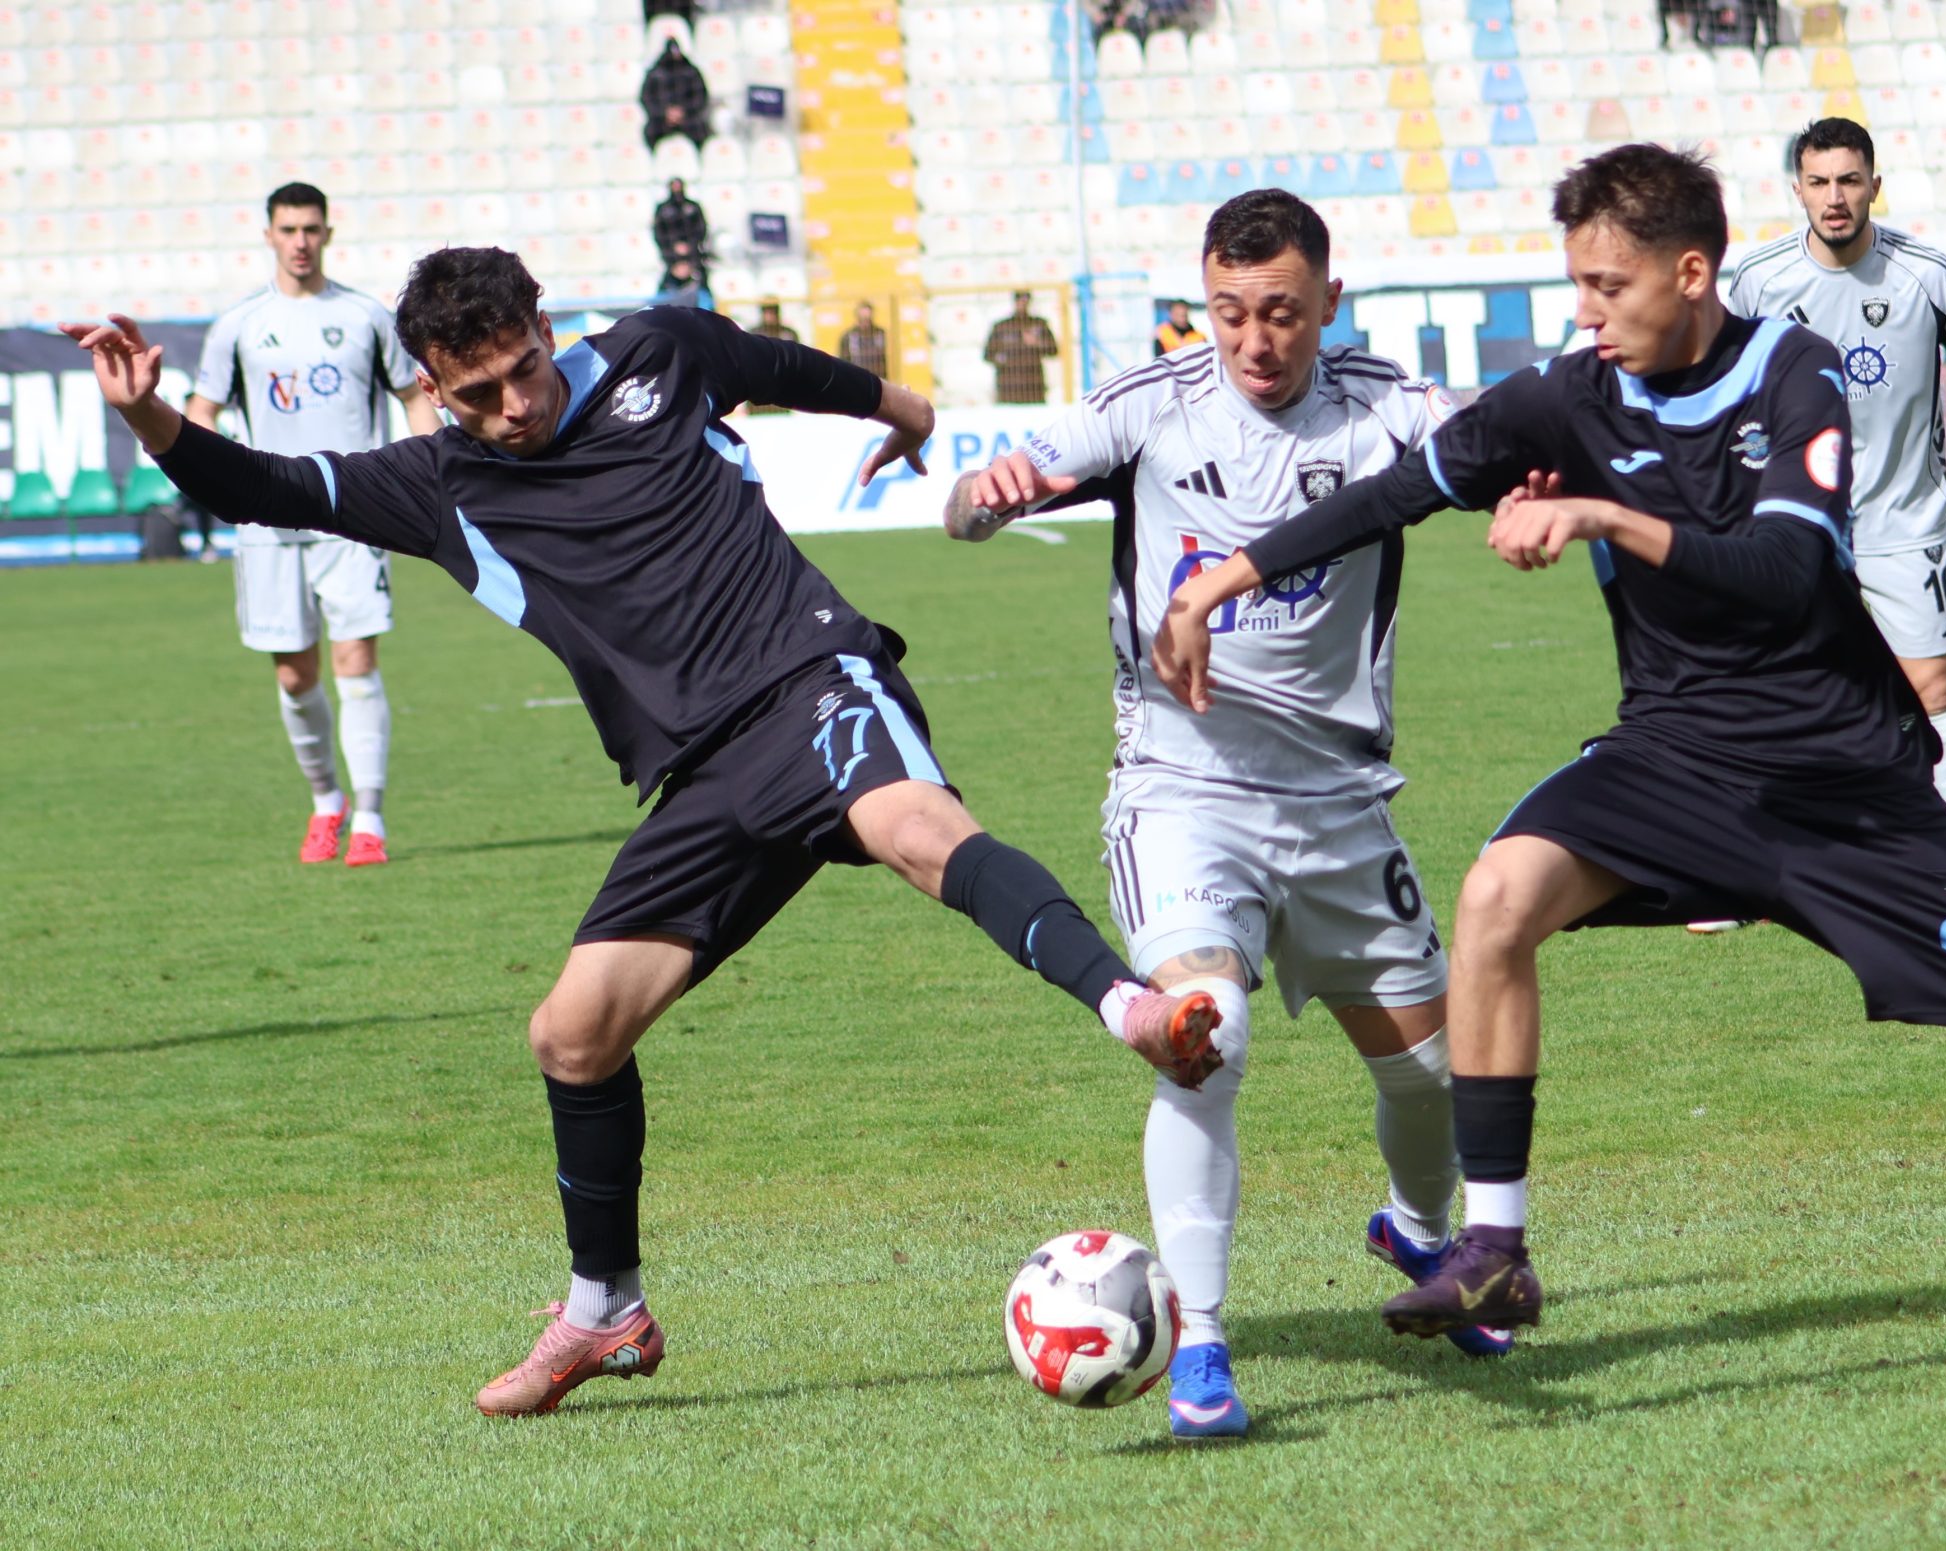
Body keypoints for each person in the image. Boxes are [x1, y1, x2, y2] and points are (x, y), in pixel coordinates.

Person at [1152, 144, 1946, 1372]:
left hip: (1845, 787)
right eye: (1575, 286)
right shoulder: (1565, 393)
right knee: (1495, 900)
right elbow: (1396, 493)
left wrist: (1597, 515)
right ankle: (1494, 1244)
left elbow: (1781, 572)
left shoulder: (1791, 373)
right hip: (1675, 763)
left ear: (1690, 274)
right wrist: (1227, 575)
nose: (1584, 315)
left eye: (1608, 287)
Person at [64, 246, 1223, 1419]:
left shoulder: (655, 352)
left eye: (524, 368)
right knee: (572, 1037)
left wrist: (902, 405)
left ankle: (1134, 1010)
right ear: (428, 384)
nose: (513, 407)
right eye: (478, 394)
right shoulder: (434, 486)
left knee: (914, 826)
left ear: (545, 324)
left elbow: (774, 364)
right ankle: (604, 1306)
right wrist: (150, 412)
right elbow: (262, 486)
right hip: (702, 775)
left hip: (810, 677)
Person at [949, 190, 1503, 1442]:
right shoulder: (1149, 408)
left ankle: (1420, 1240)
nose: (1256, 341)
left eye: (1283, 315)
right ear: (1201, 305)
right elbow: (974, 507)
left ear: (1329, 305)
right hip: (1182, 788)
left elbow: (1496, 440)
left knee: (1430, 1078)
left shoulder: (1383, 409)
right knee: (1207, 1033)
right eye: (1230, 312)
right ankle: (1201, 1342)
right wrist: (985, 496)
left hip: (1343, 804)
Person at [1727, 118, 1946, 866]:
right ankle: (1745, 871)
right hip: (1796, 526)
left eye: (1849, 180)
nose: (1834, 197)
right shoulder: (1759, 282)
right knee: (1767, 691)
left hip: (1905, 521)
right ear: (1798, 190)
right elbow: (1730, 395)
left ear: (1875, 185)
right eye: (1818, 182)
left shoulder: (1927, 275)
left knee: (1935, 689)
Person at [186, 182, 445, 867]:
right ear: (269, 235)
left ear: (328, 234)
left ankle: (370, 817)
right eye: (288, 229)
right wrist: (211, 478)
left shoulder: (363, 317)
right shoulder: (238, 325)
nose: (300, 240)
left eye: (311, 228)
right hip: (267, 525)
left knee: (355, 662)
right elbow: (200, 411)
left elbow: (416, 396)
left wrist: (431, 471)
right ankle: (326, 801)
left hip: (353, 517)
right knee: (296, 677)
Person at [984, 290, 1059, 405]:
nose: (1023, 304)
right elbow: (988, 355)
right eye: (1020, 300)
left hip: (1033, 387)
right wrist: (1004, 359)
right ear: (1014, 302)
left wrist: (1037, 343)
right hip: (1008, 387)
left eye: (1026, 301)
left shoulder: (1039, 324)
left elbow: (1054, 351)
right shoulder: (1002, 326)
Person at [640, 39, 711, 150]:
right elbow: (647, 99)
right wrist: (665, 113)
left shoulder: (691, 72)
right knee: (651, 132)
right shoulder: (655, 74)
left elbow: (701, 97)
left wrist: (683, 111)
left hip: (688, 118)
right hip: (662, 120)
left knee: (701, 130)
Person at [651, 178, 708, 273]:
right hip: (670, 254)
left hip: (692, 252)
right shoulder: (662, 209)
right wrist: (673, 246)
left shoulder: (693, 207)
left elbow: (701, 229)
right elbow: (659, 232)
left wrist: (689, 245)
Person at [838, 301, 889, 377]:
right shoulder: (847, 337)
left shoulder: (881, 334)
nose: (865, 323)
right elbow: (843, 362)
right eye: (862, 319)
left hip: (879, 379)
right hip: (857, 380)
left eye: (868, 320)